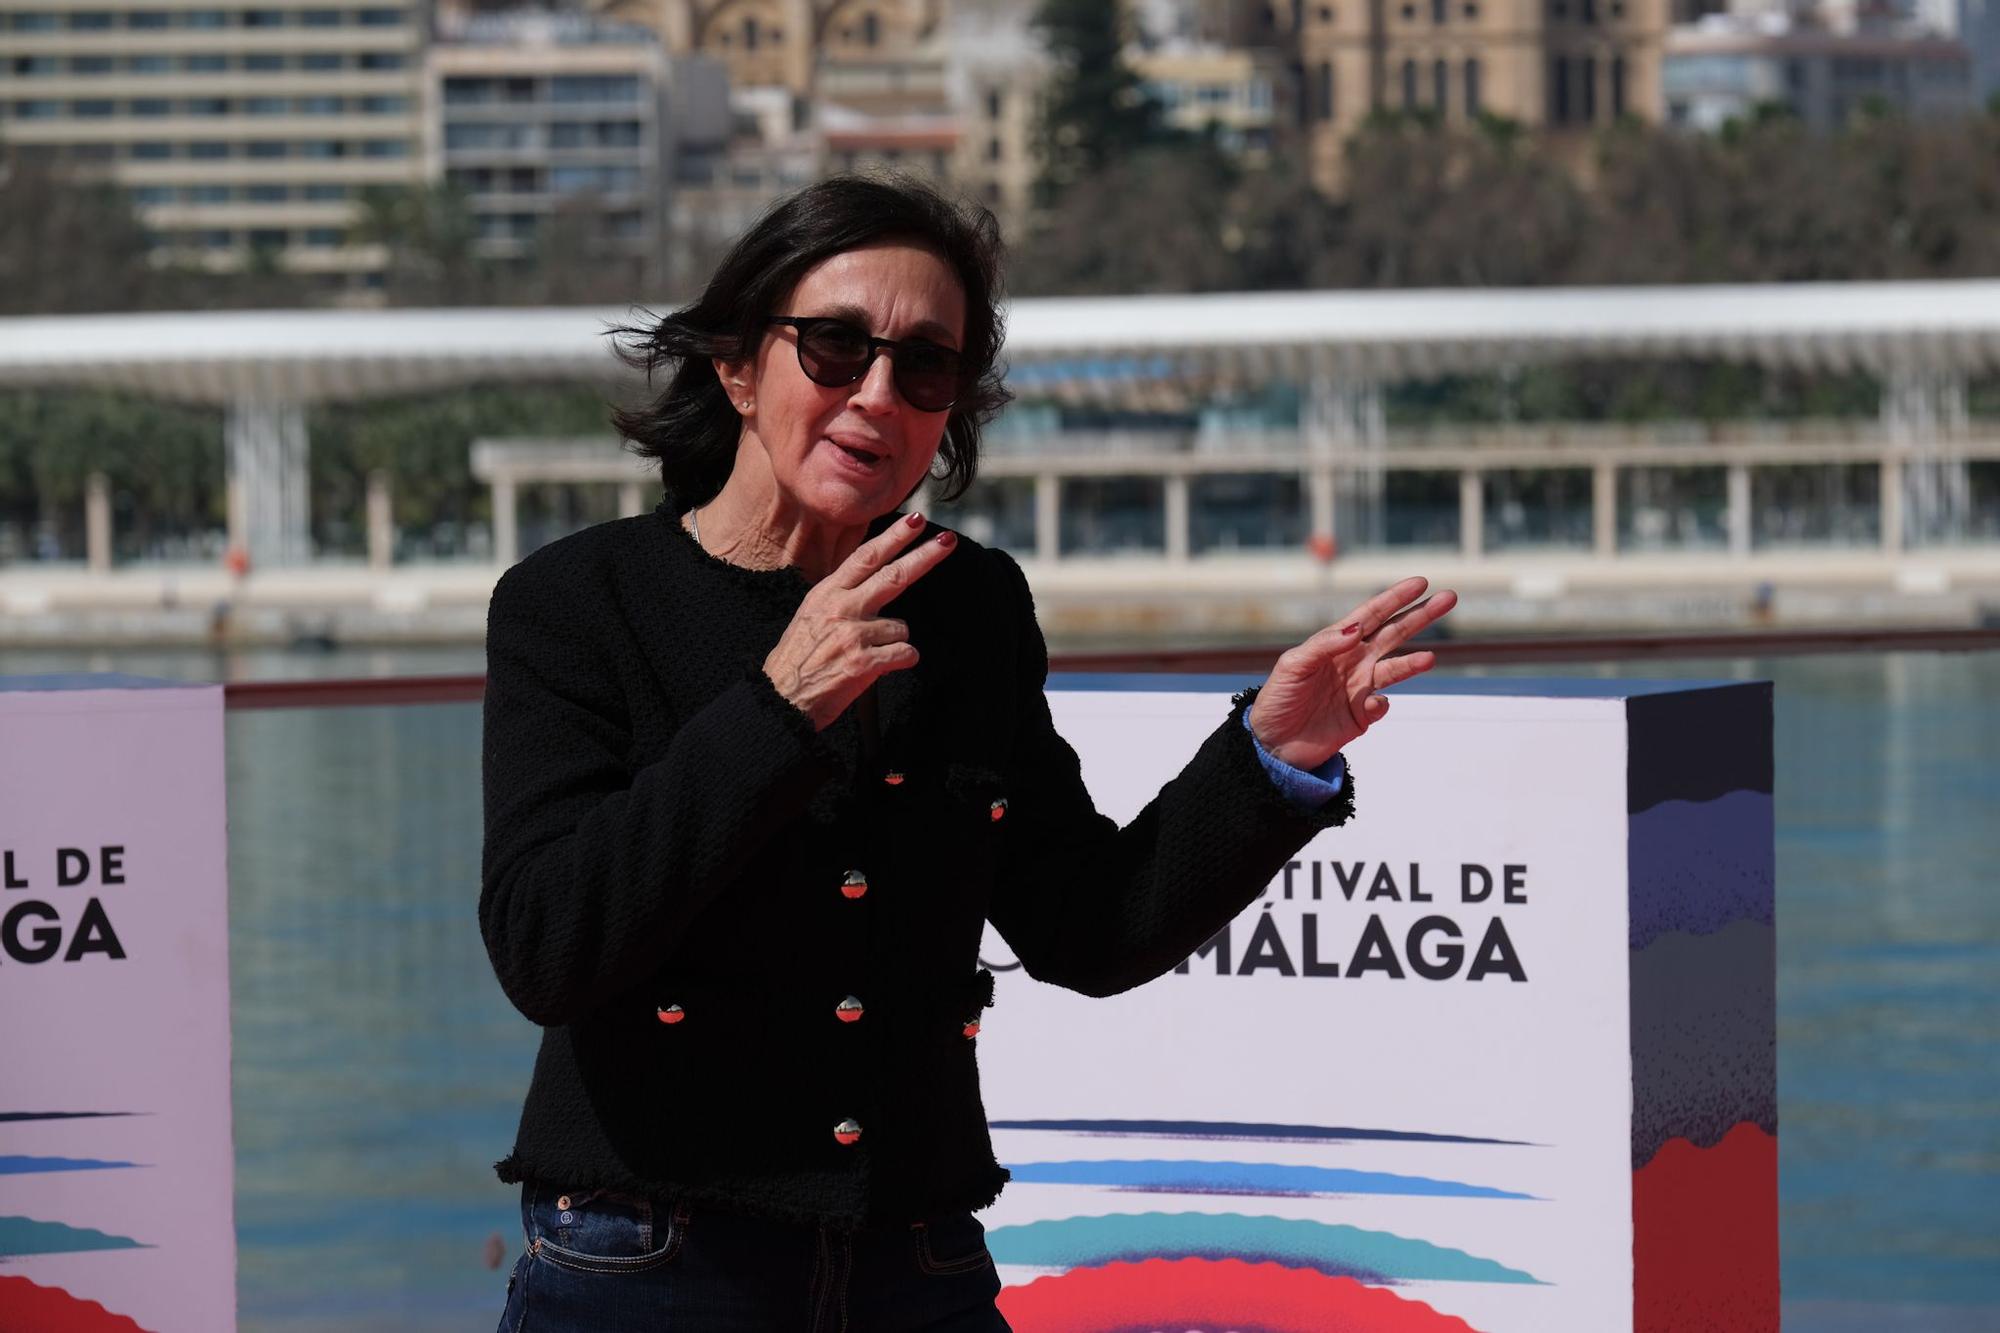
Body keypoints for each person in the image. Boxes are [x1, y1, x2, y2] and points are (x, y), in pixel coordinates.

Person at [478, 174, 1456, 1332]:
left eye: (923, 366)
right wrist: (776, 709)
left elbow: (1088, 927)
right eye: (834, 348)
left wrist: (1269, 757)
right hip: (648, 1264)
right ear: (738, 367)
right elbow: (547, 948)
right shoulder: (578, 603)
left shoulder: (973, 604)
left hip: (918, 1262)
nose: (876, 396)